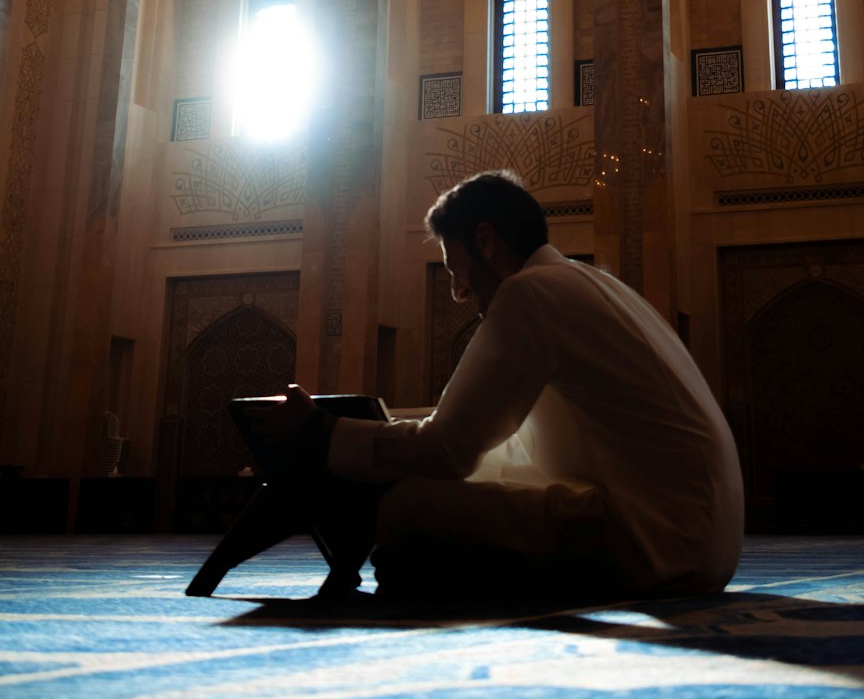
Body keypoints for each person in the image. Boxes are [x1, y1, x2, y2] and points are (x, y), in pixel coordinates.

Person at [192, 170, 744, 604]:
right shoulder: (588, 282)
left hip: (655, 545)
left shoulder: (529, 295)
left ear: (485, 241)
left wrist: (323, 431)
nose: (459, 292)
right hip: (699, 538)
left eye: (454, 267)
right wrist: (374, 427)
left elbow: (450, 450)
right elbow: (490, 433)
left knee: (404, 505)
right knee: (447, 480)